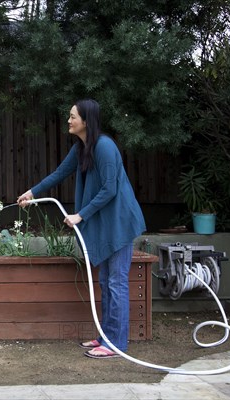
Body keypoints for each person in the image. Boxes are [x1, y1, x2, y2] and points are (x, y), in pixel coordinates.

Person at [17, 99, 146, 359]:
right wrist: (32, 192)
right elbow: (59, 173)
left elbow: (110, 189)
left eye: (72, 116)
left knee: (116, 282)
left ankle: (117, 344)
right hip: (105, 222)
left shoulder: (105, 147)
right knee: (105, 281)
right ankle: (106, 336)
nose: (69, 120)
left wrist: (80, 215)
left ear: (86, 121)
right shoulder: (81, 148)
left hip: (119, 221)